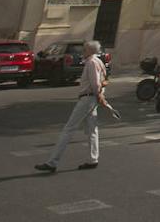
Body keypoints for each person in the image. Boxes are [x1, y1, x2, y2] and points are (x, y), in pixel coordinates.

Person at [36, 40, 108, 173]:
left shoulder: (91, 62)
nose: (83, 52)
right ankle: (93, 159)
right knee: (92, 130)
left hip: (87, 99)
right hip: (92, 99)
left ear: (90, 51)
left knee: (68, 129)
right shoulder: (99, 62)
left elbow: (95, 83)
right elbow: (104, 80)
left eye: (84, 49)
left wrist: (99, 95)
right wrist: (100, 96)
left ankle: (52, 162)